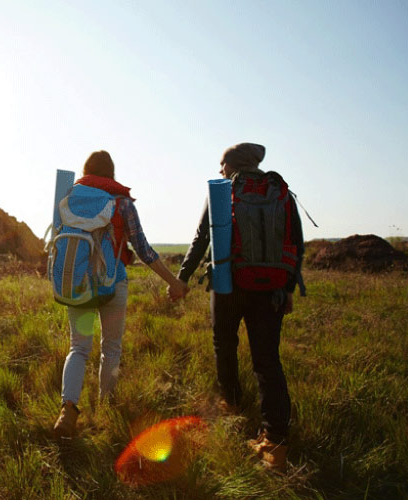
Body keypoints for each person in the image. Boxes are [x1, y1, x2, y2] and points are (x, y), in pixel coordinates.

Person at [177, 143, 304, 471]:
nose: (219, 171)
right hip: (271, 290)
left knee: (225, 343)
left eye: (222, 165)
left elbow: (201, 237)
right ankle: (276, 442)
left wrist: (182, 277)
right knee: (267, 360)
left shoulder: (222, 192)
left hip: (229, 285)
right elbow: (296, 244)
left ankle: (231, 401)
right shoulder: (281, 193)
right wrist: (287, 287)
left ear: (232, 166)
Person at [53, 150, 189, 439]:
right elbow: (143, 249)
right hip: (113, 286)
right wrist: (173, 281)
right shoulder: (121, 203)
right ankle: (107, 406)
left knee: (78, 348)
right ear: (111, 173)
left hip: (77, 286)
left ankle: (68, 409)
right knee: (110, 348)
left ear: (86, 171)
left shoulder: (68, 198)